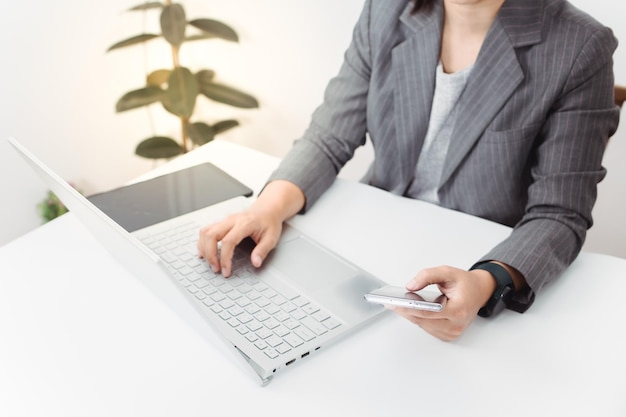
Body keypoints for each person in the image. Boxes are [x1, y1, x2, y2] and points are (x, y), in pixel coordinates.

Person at [197, 0, 620, 341]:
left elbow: (559, 214)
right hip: (374, 244)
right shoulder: (385, 10)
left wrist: (486, 282)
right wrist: (267, 209)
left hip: (474, 260)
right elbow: (328, 138)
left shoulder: (580, 46)